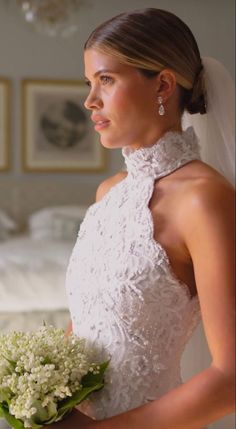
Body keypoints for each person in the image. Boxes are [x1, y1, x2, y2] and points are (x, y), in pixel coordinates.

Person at [47, 8, 235, 429]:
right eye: (89, 83)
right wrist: (39, 401)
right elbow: (85, 326)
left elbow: (231, 379)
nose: (89, 100)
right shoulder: (108, 194)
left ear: (163, 85)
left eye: (106, 80)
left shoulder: (205, 200)